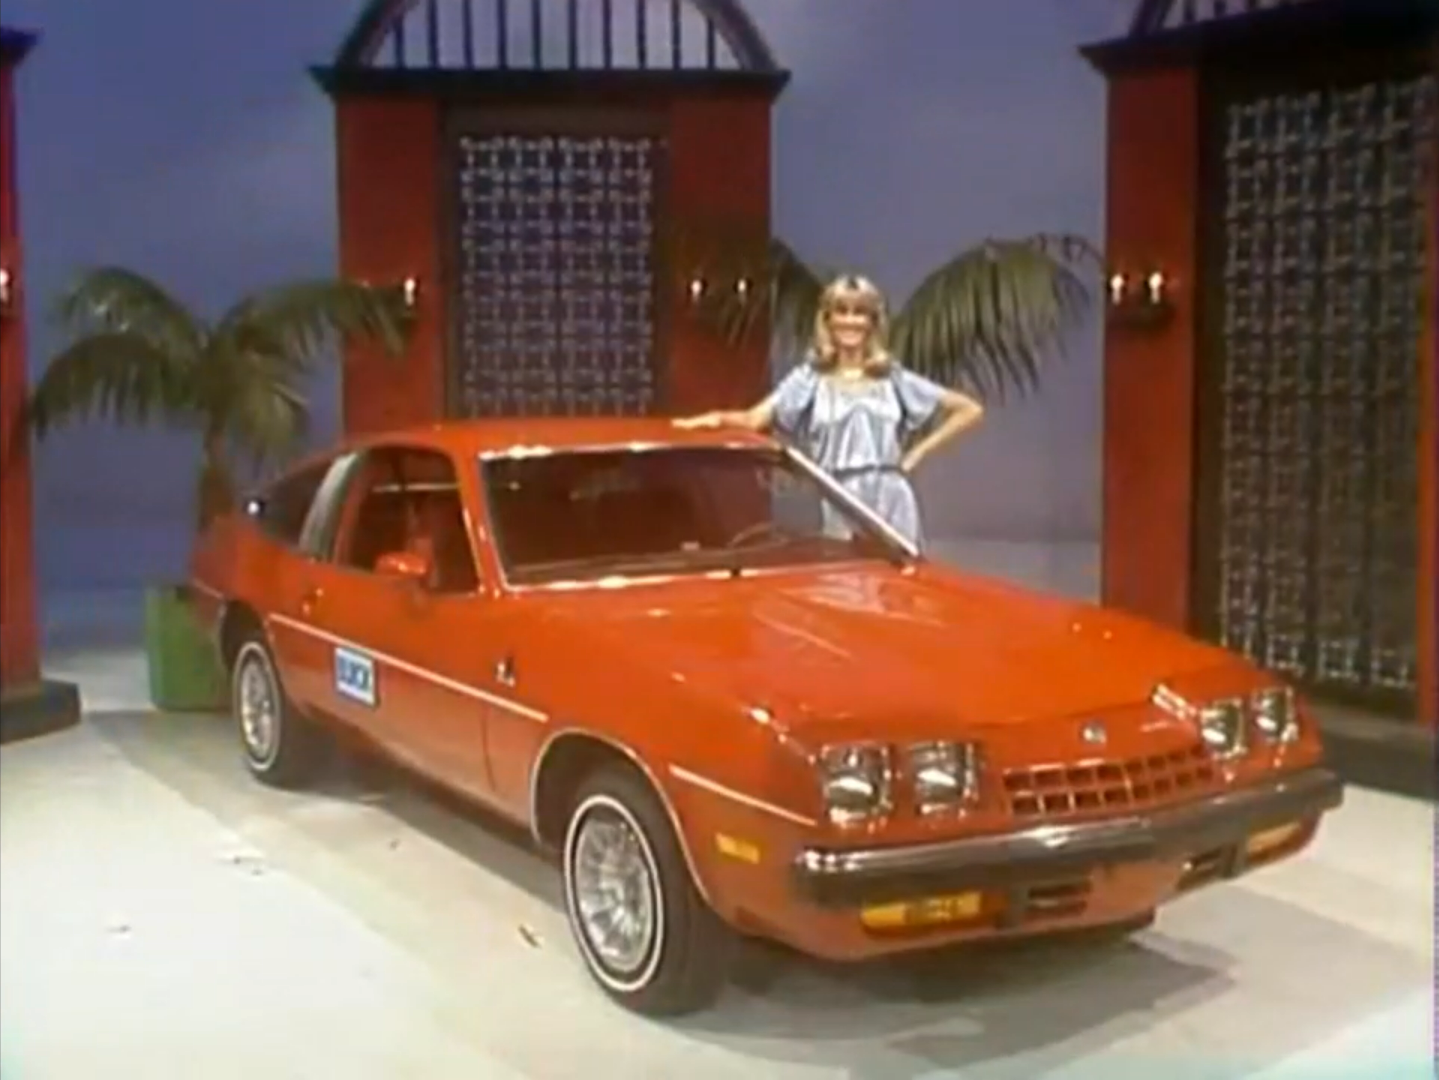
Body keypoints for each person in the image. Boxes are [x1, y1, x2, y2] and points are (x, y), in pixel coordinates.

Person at [673, 274, 984, 549]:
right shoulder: (809, 379)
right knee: (846, 588)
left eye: (860, 313)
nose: (850, 321)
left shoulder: (891, 377)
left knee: (897, 594)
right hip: (840, 497)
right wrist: (709, 421)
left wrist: (916, 455)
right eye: (842, 311)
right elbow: (754, 419)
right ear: (828, 320)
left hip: (892, 497)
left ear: (873, 322)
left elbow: (968, 409)